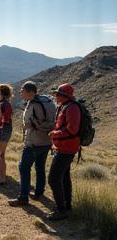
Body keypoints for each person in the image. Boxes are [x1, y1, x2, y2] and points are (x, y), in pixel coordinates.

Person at [9, 81, 55, 207]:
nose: (20, 93)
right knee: (40, 167)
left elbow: (31, 123)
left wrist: (29, 125)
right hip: (46, 141)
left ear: (30, 92)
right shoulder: (47, 101)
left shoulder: (34, 104)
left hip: (34, 141)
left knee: (24, 168)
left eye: (23, 91)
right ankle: (39, 192)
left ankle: (23, 197)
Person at [47, 83, 81, 221]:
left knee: (53, 179)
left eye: (58, 94)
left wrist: (54, 134)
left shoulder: (72, 108)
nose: (55, 96)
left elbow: (72, 130)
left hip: (67, 149)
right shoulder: (64, 106)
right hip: (63, 147)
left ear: (64, 96)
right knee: (64, 177)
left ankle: (61, 210)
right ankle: (67, 207)